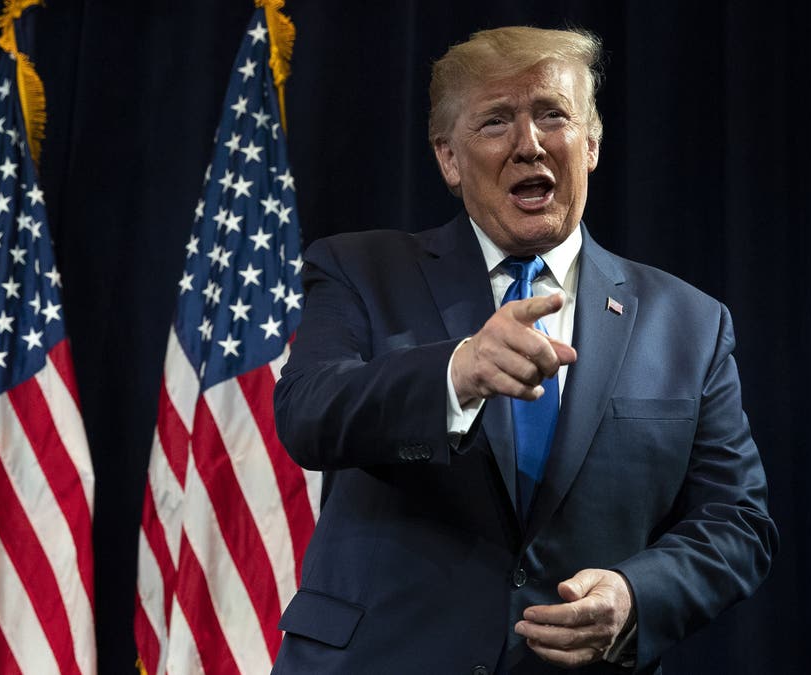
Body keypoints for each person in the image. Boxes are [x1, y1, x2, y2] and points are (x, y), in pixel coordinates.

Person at [272, 25, 777, 674]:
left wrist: (635, 597)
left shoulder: (688, 323)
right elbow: (309, 411)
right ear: (449, 159)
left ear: (590, 142)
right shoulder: (360, 271)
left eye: (552, 115)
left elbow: (739, 522)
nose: (529, 143)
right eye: (495, 121)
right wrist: (459, 371)